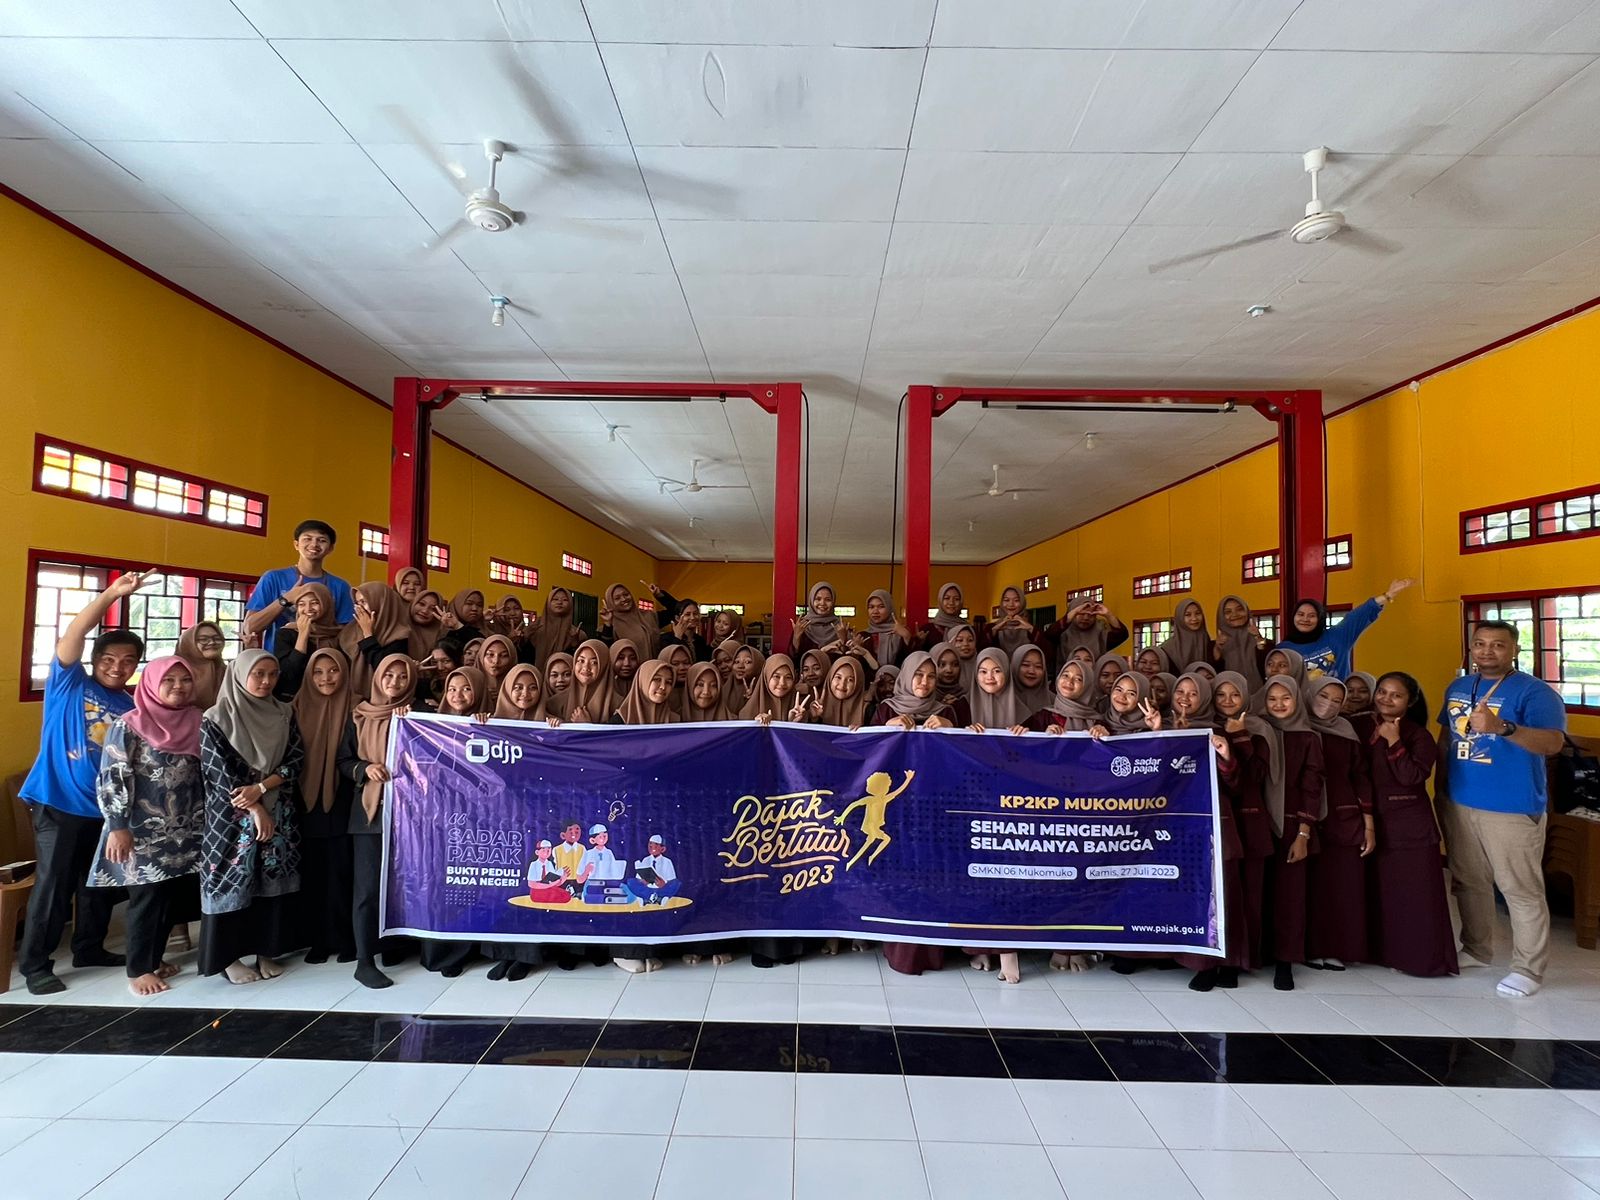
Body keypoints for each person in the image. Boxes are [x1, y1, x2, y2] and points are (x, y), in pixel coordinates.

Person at [17, 570, 154, 995]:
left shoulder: (131, 705)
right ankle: (35, 965)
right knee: (54, 886)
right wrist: (112, 593)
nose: (118, 667)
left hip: (106, 811)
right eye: (109, 659)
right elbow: (75, 633)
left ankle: (89, 948)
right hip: (57, 802)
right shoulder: (68, 682)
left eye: (128, 661)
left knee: (98, 884)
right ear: (94, 660)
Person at [1437, 620, 1565, 998]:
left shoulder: (1535, 692)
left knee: (1519, 888)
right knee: (1468, 881)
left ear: (1514, 649)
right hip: (1460, 800)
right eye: (1480, 644)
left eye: (1497, 645)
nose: (1487, 651)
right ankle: (1477, 949)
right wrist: (1440, 787)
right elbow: (1446, 737)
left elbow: (1553, 743)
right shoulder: (1460, 686)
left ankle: (1528, 969)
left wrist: (1504, 728)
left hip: (1511, 805)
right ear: (1471, 648)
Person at [86, 655, 203, 996]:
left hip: (187, 828)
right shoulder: (130, 725)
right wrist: (117, 825)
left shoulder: (198, 719)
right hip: (141, 829)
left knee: (169, 896)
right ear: (151, 683)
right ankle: (138, 970)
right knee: (146, 896)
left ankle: (153, 958)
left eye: (185, 680)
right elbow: (113, 777)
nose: (178, 687)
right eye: (169, 680)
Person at [197, 650, 303, 984]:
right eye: (258, 674)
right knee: (231, 879)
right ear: (240, 674)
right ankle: (227, 959)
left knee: (270, 881)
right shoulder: (215, 718)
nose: (266, 681)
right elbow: (218, 773)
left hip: (277, 808)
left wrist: (262, 788)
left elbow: (296, 760)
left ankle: (266, 950)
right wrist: (254, 807)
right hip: (231, 819)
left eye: (273, 674)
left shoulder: (284, 712)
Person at [1364, 671, 1456, 977]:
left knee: (1415, 897)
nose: (1386, 699)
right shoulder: (1364, 726)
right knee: (1385, 894)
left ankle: (1421, 960)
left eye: (1396, 695)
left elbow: (1412, 777)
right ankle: (1386, 954)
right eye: (1382, 692)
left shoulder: (1418, 736)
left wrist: (1394, 742)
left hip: (1409, 828)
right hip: (1374, 822)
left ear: (1410, 701)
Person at [341, 652, 418, 989]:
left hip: (410, 815)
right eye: (389, 675)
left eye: (402, 677)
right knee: (368, 888)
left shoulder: (418, 714)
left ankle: (395, 946)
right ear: (377, 677)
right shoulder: (360, 716)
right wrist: (365, 768)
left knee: (404, 884)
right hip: (369, 813)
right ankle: (364, 960)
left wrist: (414, 721)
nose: (395, 683)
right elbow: (343, 761)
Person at [1169, 672, 1247, 992]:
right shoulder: (1162, 728)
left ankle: (1230, 964)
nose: (1185, 698)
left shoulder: (1218, 731)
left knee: (1225, 895)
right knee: (1194, 896)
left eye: (1193, 693)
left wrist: (1226, 754)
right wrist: (1166, 737)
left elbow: (1237, 784)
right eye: (1180, 691)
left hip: (1216, 824)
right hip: (1180, 829)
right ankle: (1202, 964)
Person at [1258, 673, 1326, 991]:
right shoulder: (1256, 730)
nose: (1279, 704)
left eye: (1286, 698)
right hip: (1256, 824)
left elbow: (1313, 786)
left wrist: (1303, 834)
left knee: (1289, 896)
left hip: (1290, 826)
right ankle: (1258, 954)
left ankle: (1284, 961)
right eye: (1272, 699)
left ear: (1297, 701)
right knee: (1257, 893)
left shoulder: (1308, 738)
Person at [1303, 677, 1373, 970]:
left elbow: (1360, 776)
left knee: (1342, 886)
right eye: (1323, 696)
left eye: (1336, 700)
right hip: (1304, 820)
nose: (1328, 705)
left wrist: (1369, 824)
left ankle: (1337, 947)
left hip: (1342, 818)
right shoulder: (1296, 726)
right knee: (1310, 887)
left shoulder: (1346, 731)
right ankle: (1309, 947)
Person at [292, 648, 357, 966]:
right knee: (313, 874)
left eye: (333, 670)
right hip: (305, 801)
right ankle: (318, 940)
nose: (326, 678)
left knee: (343, 873)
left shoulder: (358, 706)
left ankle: (346, 939)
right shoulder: (295, 707)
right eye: (318, 672)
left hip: (346, 798)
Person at [1213, 670, 1275, 975]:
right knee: (1219, 897)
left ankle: (1242, 959)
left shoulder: (1259, 729)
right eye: (1221, 694)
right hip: (1220, 824)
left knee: (1249, 896)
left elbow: (1257, 777)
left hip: (1249, 822)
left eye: (1235, 694)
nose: (1227, 700)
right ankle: (1215, 958)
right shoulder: (1206, 729)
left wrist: (1240, 736)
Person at [242, 519, 355, 643]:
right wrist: (286, 599)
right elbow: (250, 628)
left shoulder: (341, 586)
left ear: (330, 548)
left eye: (322, 540)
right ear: (296, 544)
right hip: (278, 654)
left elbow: (347, 634)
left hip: (323, 654)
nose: (314, 544)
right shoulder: (273, 578)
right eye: (307, 539)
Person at [1277, 579, 1413, 680]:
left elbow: (1358, 615)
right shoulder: (1283, 649)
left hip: (1339, 705)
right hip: (1301, 707)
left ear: (1320, 619)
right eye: (1300, 614)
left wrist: (1388, 595)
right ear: (1293, 617)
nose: (1305, 619)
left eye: (1312, 616)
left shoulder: (1338, 636)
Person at [337, 582, 412, 699]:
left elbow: (383, 667)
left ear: (381, 603)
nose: (359, 608)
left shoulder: (399, 635)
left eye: (364, 602)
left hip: (383, 700)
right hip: (350, 698)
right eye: (357, 603)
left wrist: (368, 634)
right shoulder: (349, 631)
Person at [1045, 600, 1129, 669]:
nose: (1086, 618)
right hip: (1066, 681)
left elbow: (1122, 635)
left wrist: (1108, 614)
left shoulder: (1100, 636)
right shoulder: (1061, 633)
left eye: (1091, 615)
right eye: (1081, 614)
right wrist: (1072, 613)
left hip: (1093, 681)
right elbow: (1048, 635)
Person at [547, 640, 613, 723]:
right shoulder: (555, 703)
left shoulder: (617, 704)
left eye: (594, 662)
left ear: (604, 666)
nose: (586, 668)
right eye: (581, 661)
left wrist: (586, 726)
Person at [1213, 595, 1270, 691]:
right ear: (1221, 617)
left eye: (1240, 609)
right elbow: (1214, 674)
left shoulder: (1261, 640)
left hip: (1260, 695)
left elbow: (1268, 665)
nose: (1235, 614)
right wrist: (1217, 649)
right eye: (1228, 612)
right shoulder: (1214, 646)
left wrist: (1258, 637)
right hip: (1229, 697)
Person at [967, 648, 1026, 734]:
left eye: (997, 671)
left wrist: (1023, 733)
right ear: (976, 674)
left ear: (1006, 673)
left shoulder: (1022, 711)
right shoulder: (961, 706)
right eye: (983, 671)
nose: (990, 677)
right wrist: (964, 732)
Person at [599, 582, 660, 659]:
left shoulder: (648, 616)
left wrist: (659, 595)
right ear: (611, 603)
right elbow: (605, 652)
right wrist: (608, 624)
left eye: (626, 594)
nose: (624, 599)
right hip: (627, 667)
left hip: (654, 666)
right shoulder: (609, 627)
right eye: (617, 598)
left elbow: (673, 611)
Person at [612, 660, 682, 725]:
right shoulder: (621, 720)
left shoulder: (675, 721)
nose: (663, 687)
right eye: (657, 679)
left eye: (668, 682)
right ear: (643, 682)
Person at [175, 622, 227, 710]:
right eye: (203, 639)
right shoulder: (176, 671)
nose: (212, 642)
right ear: (189, 644)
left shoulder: (225, 670)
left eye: (217, 638)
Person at [532, 587, 584, 666]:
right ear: (548, 602)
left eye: (565, 600)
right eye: (555, 599)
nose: (559, 602)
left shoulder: (577, 634)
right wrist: (526, 636)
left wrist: (575, 644)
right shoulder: (536, 627)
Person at [1160, 599, 1212, 675]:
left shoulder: (1207, 641)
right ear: (1180, 618)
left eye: (1197, 613)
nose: (1194, 618)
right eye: (1188, 615)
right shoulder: (1167, 649)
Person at [626, 835, 681, 905]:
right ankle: (654, 898)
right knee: (631, 882)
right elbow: (638, 878)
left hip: (661, 889)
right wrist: (643, 881)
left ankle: (650, 899)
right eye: (650, 843)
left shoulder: (667, 861)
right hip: (647, 888)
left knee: (676, 883)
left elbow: (671, 879)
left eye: (656, 844)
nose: (652, 846)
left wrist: (663, 883)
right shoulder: (646, 860)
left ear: (662, 849)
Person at [863, 589, 913, 667]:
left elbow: (911, 662)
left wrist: (907, 637)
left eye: (881, 607)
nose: (875, 611)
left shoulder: (901, 632)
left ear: (889, 608)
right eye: (871, 607)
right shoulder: (863, 635)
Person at [817, 657, 869, 730]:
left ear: (858, 684)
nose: (842, 685)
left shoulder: (868, 710)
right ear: (830, 678)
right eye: (838, 677)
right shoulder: (817, 706)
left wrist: (864, 730)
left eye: (850, 680)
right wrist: (813, 718)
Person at [988, 586, 1037, 656]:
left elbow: (1046, 653)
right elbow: (982, 651)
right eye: (1006, 600)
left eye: (1016, 600)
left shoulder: (1031, 627)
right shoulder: (992, 628)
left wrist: (1031, 629)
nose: (1011, 604)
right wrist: (994, 631)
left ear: (1022, 602)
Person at [921, 581, 969, 646]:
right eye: (947, 598)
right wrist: (918, 642)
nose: (951, 602)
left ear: (961, 602)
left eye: (956, 599)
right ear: (940, 600)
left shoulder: (968, 629)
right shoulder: (927, 630)